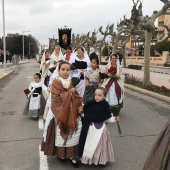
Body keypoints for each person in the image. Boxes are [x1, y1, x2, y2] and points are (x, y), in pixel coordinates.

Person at [41, 61, 83, 168]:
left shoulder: (72, 81)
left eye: (68, 70)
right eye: (63, 69)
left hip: (71, 111)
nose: (65, 72)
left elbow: (76, 95)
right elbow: (55, 98)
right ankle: (61, 155)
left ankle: (72, 155)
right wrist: (70, 92)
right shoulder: (56, 82)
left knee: (74, 131)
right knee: (60, 132)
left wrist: (77, 98)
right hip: (58, 112)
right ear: (58, 70)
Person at [79, 87, 116, 165]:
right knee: (90, 143)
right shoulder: (90, 104)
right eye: (95, 95)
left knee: (99, 145)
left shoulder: (105, 106)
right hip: (90, 129)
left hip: (101, 130)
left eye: (100, 95)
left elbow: (107, 118)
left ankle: (99, 159)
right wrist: (81, 112)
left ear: (105, 96)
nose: (97, 97)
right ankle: (89, 159)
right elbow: (86, 115)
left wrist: (114, 119)